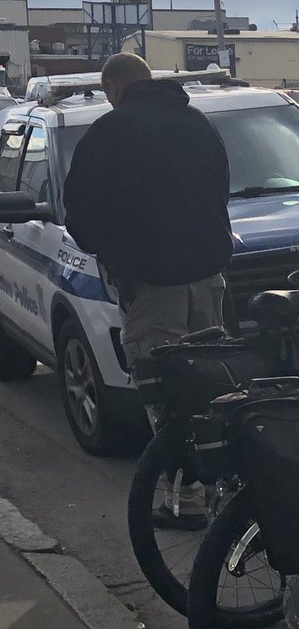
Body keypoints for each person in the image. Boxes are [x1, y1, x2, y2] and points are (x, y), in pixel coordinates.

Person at [64, 53, 234, 529]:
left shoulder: (110, 133)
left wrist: (117, 256)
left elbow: (80, 213)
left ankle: (186, 502)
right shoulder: (199, 124)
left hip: (152, 285)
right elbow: (221, 188)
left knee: (166, 393)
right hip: (210, 280)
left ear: (113, 89)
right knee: (211, 388)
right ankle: (229, 491)